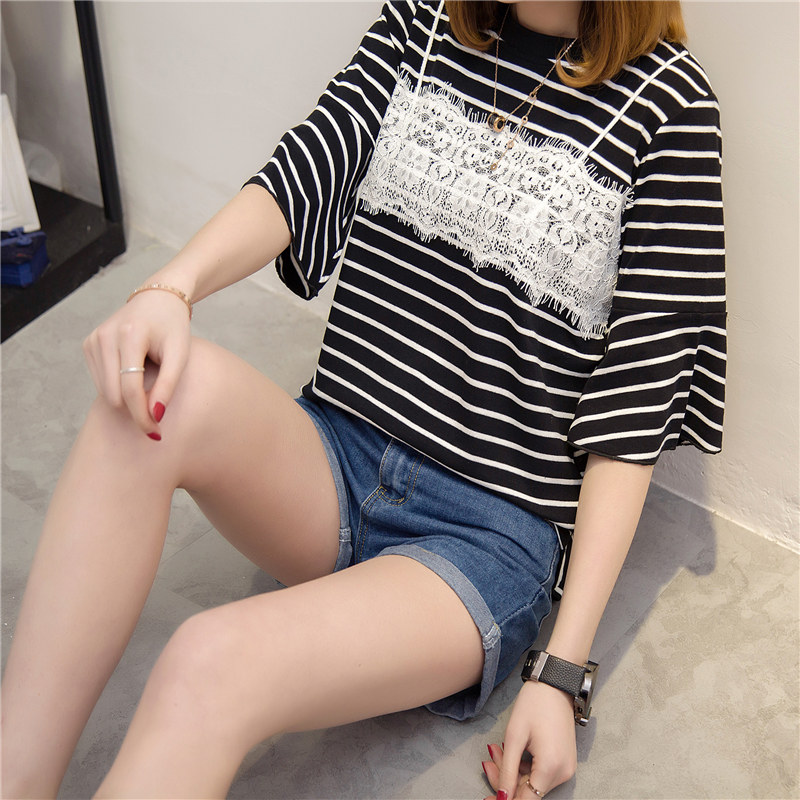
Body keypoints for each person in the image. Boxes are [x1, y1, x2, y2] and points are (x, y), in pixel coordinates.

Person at [0, 1, 725, 797]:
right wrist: (168, 289)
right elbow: (311, 163)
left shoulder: (673, 110)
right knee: (144, 394)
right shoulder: (426, 20)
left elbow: (633, 412)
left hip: (481, 541)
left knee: (208, 662)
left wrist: (559, 675)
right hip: (336, 458)